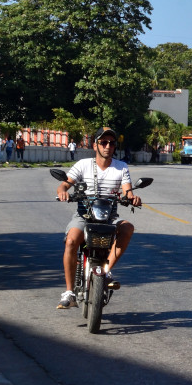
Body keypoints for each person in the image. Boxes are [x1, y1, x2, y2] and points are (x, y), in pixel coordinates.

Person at [54, 127, 141, 309]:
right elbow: (64, 186)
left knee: (128, 228)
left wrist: (132, 198)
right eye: (103, 142)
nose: (108, 146)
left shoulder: (121, 167)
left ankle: (107, 271)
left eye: (111, 143)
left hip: (109, 218)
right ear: (95, 145)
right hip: (84, 215)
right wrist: (63, 192)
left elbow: (127, 191)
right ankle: (69, 292)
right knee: (71, 241)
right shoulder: (83, 165)